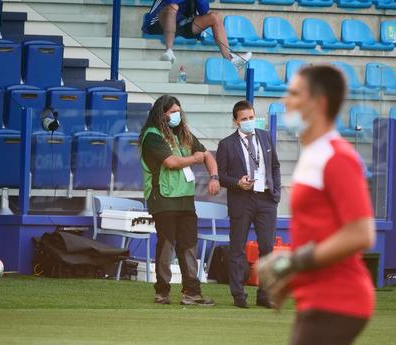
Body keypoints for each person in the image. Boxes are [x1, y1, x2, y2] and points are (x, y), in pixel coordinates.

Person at [257, 65, 376, 345]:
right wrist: (293, 279)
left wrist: (291, 262)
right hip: (319, 299)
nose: (286, 100)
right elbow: (319, 232)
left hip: (339, 299)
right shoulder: (314, 154)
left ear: (319, 103)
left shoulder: (337, 157)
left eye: (295, 93)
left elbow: (361, 233)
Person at [139, 94, 220, 306]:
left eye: (178, 111)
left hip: (185, 198)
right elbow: (171, 162)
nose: (177, 115)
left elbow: (208, 155)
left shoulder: (183, 134)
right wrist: (194, 159)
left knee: (189, 245)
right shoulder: (152, 136)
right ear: (161, 114)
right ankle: (162, 292)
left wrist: (214, 177)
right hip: (163, 197)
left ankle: (192, 292)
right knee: (166, 245)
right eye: (172, 112)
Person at [216, 100, 281, 308]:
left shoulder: (265, 137)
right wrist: (237, 182)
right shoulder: (226, 144)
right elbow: (220, 175)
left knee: (267, 248)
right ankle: (239, 296)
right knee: (237, 250)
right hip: (241, 199)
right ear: (236, 121)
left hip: (266, 199)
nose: (249, 122)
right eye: (244, 119)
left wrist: (276, 193)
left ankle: (265, 295)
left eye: (251, 117)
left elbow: (275, 166)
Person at [141, 0, 251, 68]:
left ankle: (230, 59)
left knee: (215, 17)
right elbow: (170, 2)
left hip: (182, 24)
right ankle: (168, 51)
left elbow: (204, 11)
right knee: (173, 7)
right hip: (157, 23)